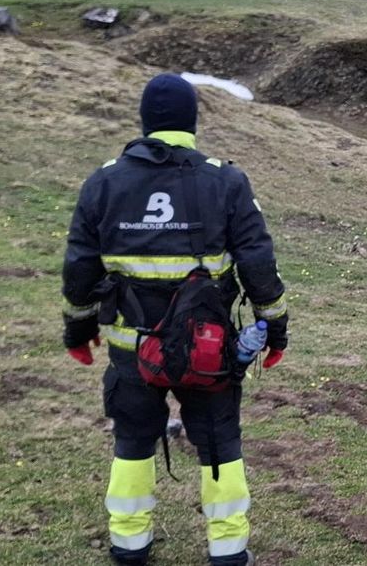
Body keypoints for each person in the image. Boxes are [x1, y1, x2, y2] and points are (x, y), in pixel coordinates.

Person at [60, 73, 290, 566]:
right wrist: (277, 329)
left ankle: (129, 545)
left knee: (133, 442)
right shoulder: (226, 181)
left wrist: (78, 332)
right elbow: (258, 265)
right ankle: (228, 552)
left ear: (145, 122)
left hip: (129, 351)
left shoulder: (104, 182)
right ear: (192, 122)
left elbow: (80, 267)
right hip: (210, 350)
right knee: (220, 444)